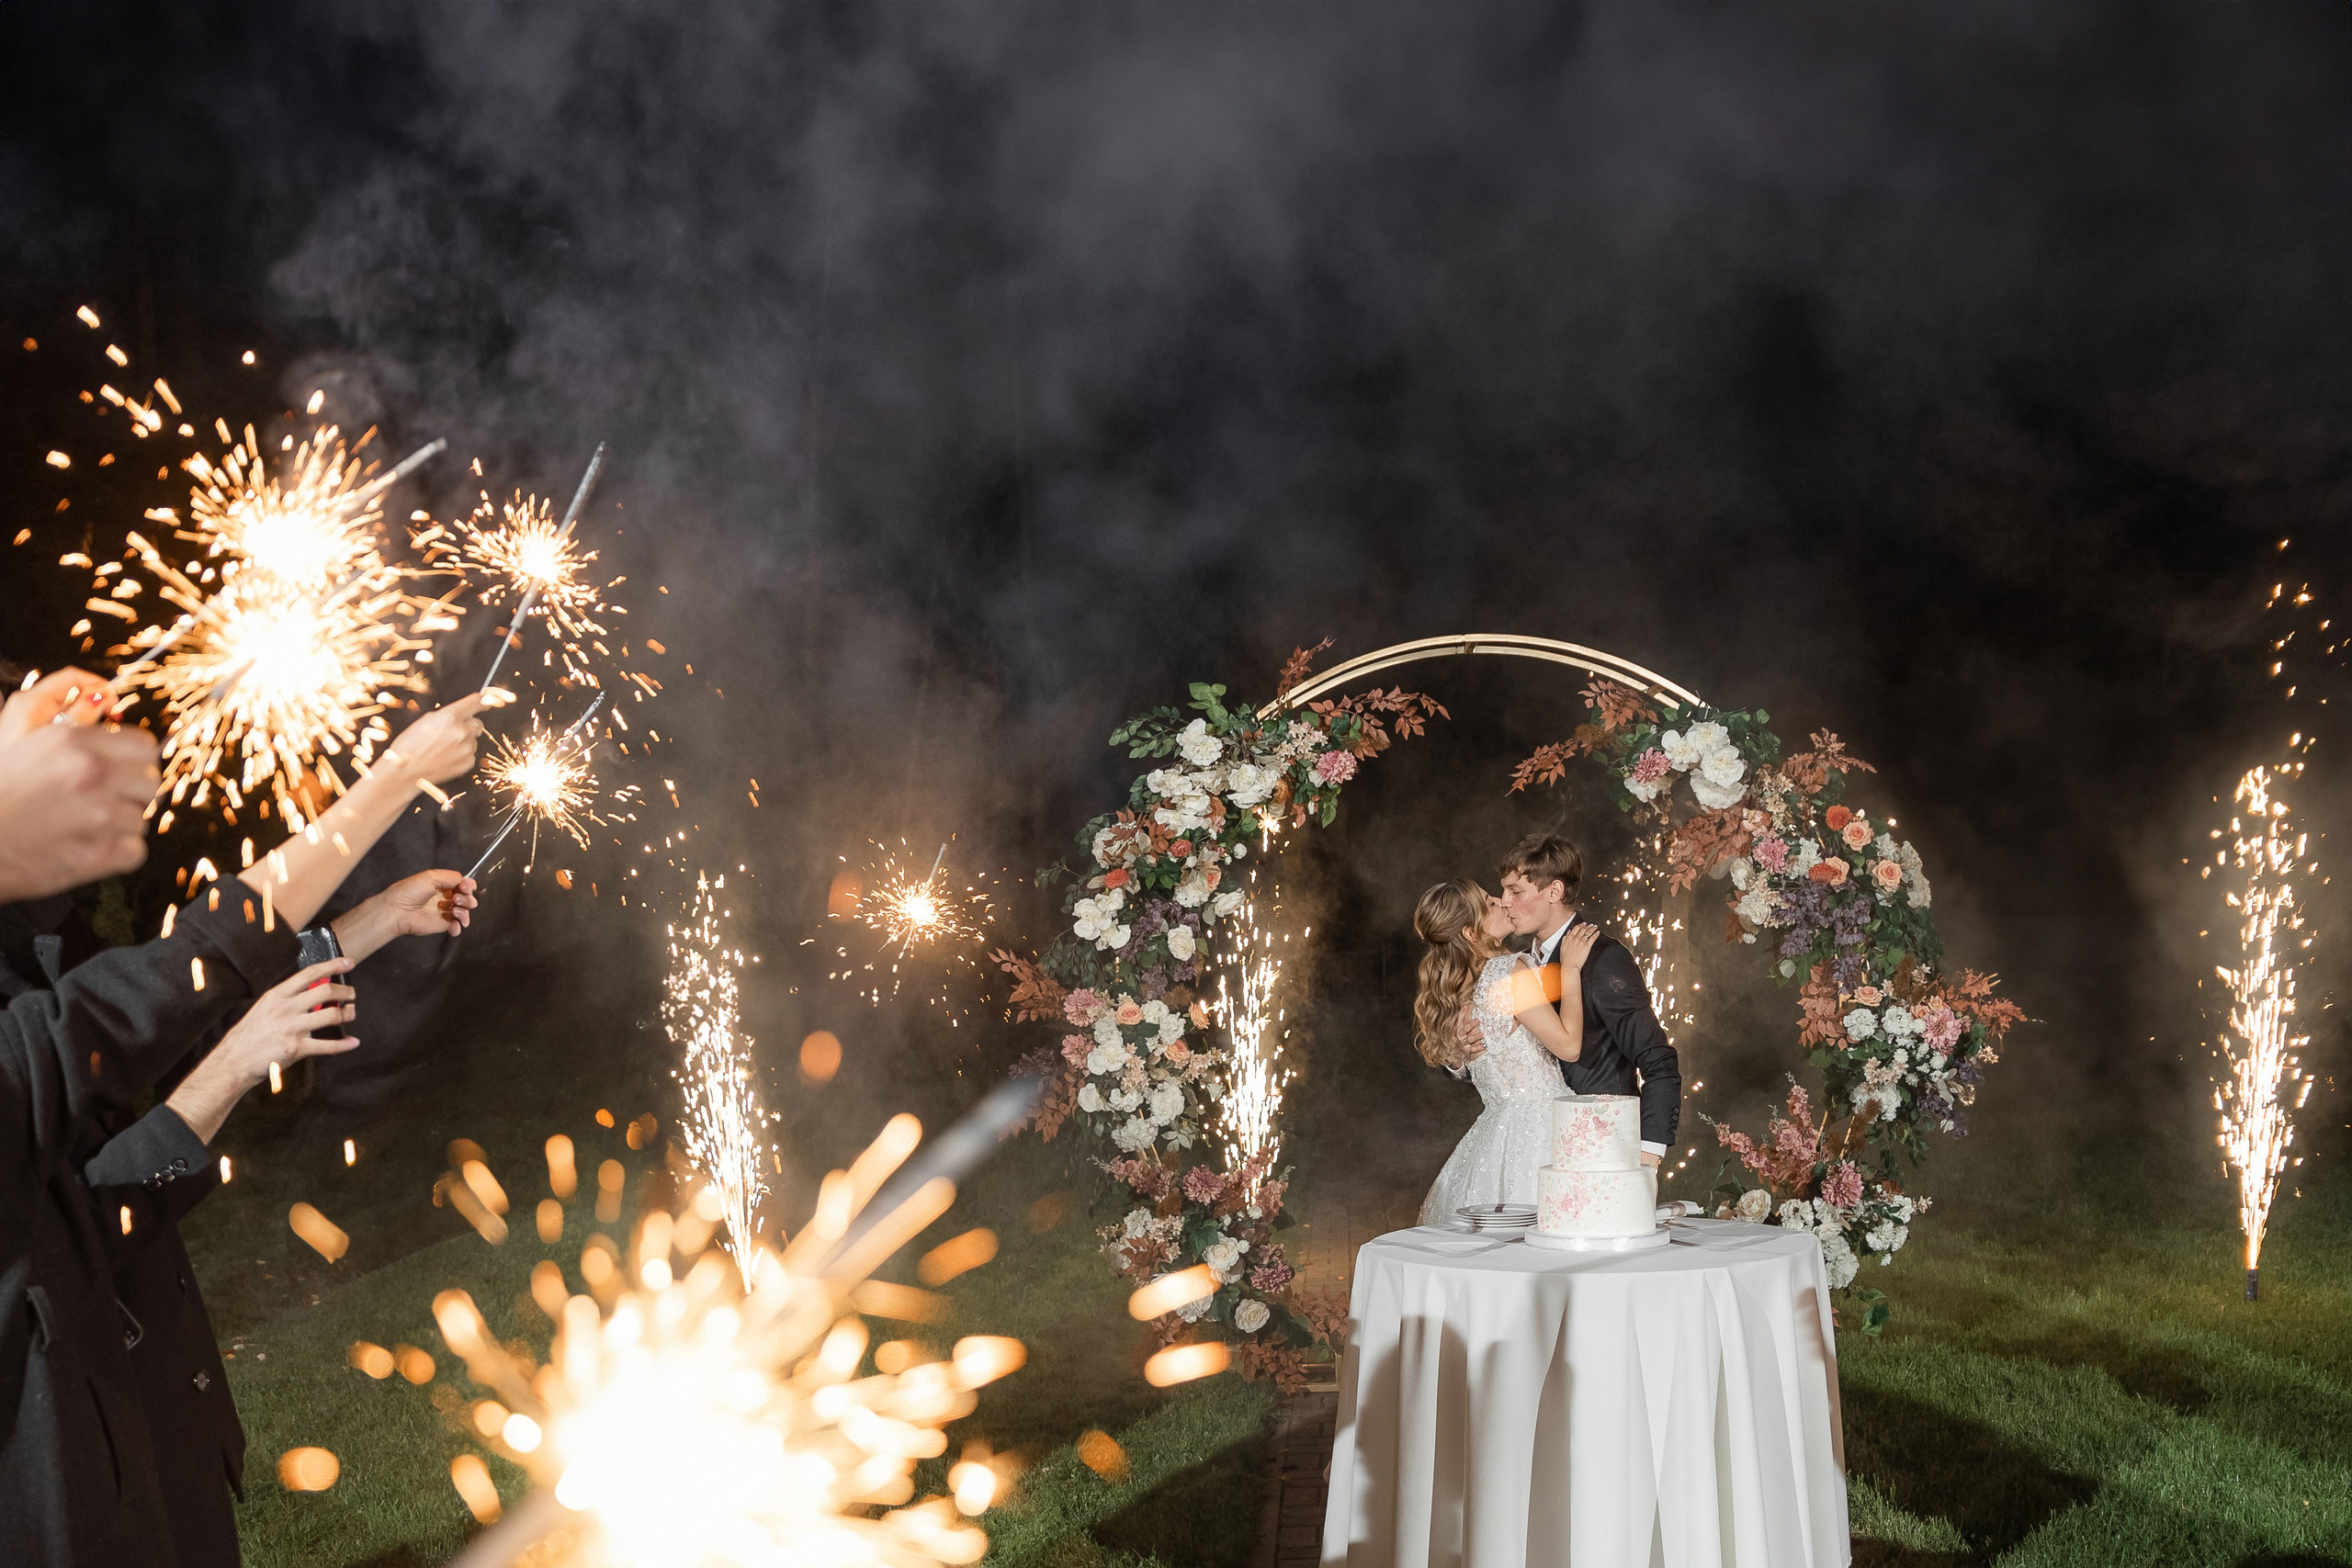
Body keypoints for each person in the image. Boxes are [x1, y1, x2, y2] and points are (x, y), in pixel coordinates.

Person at [0, 670, 491, 1567]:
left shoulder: (35, 942)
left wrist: (361, 929)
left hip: (149, 1446)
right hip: (77, 1504)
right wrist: (388, 783)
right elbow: (146, 1005)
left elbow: (156, 1018)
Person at [73, 867, 477, 1568]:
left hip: (170, 1426)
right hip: (86, 1477)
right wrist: (233, 1066)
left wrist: (376, 919)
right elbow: (75, 1225)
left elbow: (176, 1016)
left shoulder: (39, 935)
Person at [1409, 877, 1597, 1224]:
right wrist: (1570, 969)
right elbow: (1569, 1047)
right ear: (1470, 933)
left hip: (1494, 1136)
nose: (1502, 901)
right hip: (1544, 1130)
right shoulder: (1506, 972)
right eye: (1490, 903)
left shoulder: (1461, 992)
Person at [1492, 833, 1681, 1162]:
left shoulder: (1604, 959)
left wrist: (1648, 1156)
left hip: (1600, 1143)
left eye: (1516, 891)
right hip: (1532, 1146)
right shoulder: (1516, 965)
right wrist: (1460, 1061)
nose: (1504, 901)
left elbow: (1658, 1062)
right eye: (1504, 890)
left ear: (1554, 891)